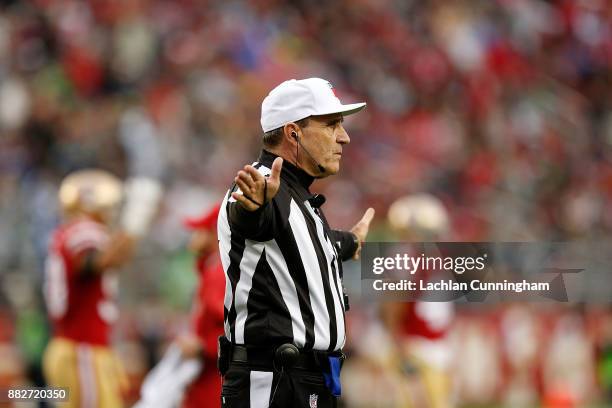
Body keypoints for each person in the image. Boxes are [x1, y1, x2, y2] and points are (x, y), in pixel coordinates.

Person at [217, 77, 375, 407]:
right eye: (332, 125)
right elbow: (250, 219)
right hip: (274, 379)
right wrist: (253, 208)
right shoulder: (262, 184)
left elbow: (310, 244)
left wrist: (350, 242)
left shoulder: (298, 197)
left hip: (308, 379)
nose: (344, 137)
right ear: (293, 132)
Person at [43, 169, 161, 407]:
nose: (110, 212)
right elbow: (102, 261)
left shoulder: (69, 232)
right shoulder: (83, 231)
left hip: (78, 348)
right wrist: (135, 222)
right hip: (81, 350)